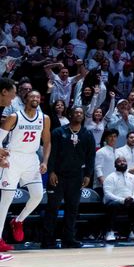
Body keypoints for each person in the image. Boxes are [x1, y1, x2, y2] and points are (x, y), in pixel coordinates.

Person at [0, 79, 49, 249]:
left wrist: (45, 161)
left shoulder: (44, 118)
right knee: (6, 200)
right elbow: (0, 139)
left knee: (37, 195)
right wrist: (2, 157)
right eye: (32, 96)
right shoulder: (15, 116)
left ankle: (18, 220)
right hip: (13, 158)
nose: (35, 98)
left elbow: (47, 142)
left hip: (31, 159)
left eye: (38, 96)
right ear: (25, 99)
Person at [43, 106, 94, 249]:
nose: (79, 114)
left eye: (81, 113)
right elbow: (51, 154)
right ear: (70, 115)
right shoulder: (58, 132)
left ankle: (69, 239)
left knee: (72, 209)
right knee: (52, 208)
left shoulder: (87, 134)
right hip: (58, 175)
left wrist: (88, 175)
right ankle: (48, 239)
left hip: (77, 176)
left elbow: (91, 157)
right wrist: (51, 172)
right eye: (76, 112)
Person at [102, 156, 134, 242]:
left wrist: (132, 198)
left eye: (124, 161)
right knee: (113, 205)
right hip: (115, 201)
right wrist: (122, 200)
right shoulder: (110, 177)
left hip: (130, 201)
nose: (122, 163)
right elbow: (108, 194)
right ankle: (110, 232)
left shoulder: (133, 177)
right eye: (119, 161)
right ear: (115, 165)